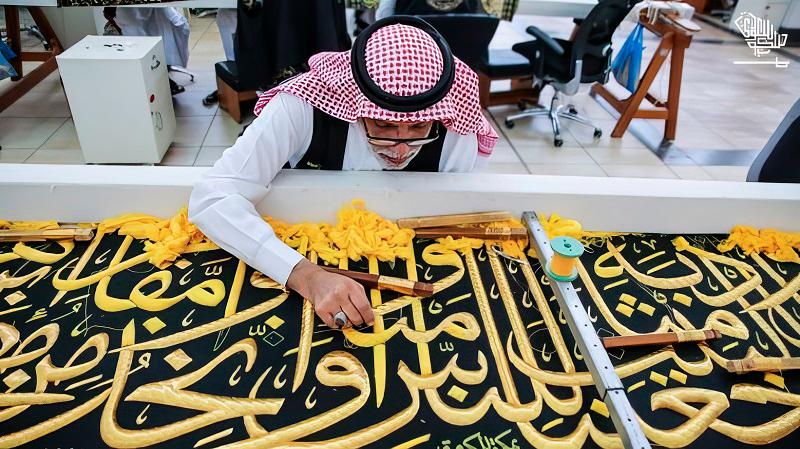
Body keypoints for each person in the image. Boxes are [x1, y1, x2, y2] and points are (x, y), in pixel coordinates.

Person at [188, 16, 497, 330]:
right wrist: (306, 276)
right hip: (296, 252)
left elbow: (450, 215)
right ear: (355, 103)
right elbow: (212, 199)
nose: (401, 149)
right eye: (384, 125)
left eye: (418, 126)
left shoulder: (456, 127)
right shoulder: (300, 108)